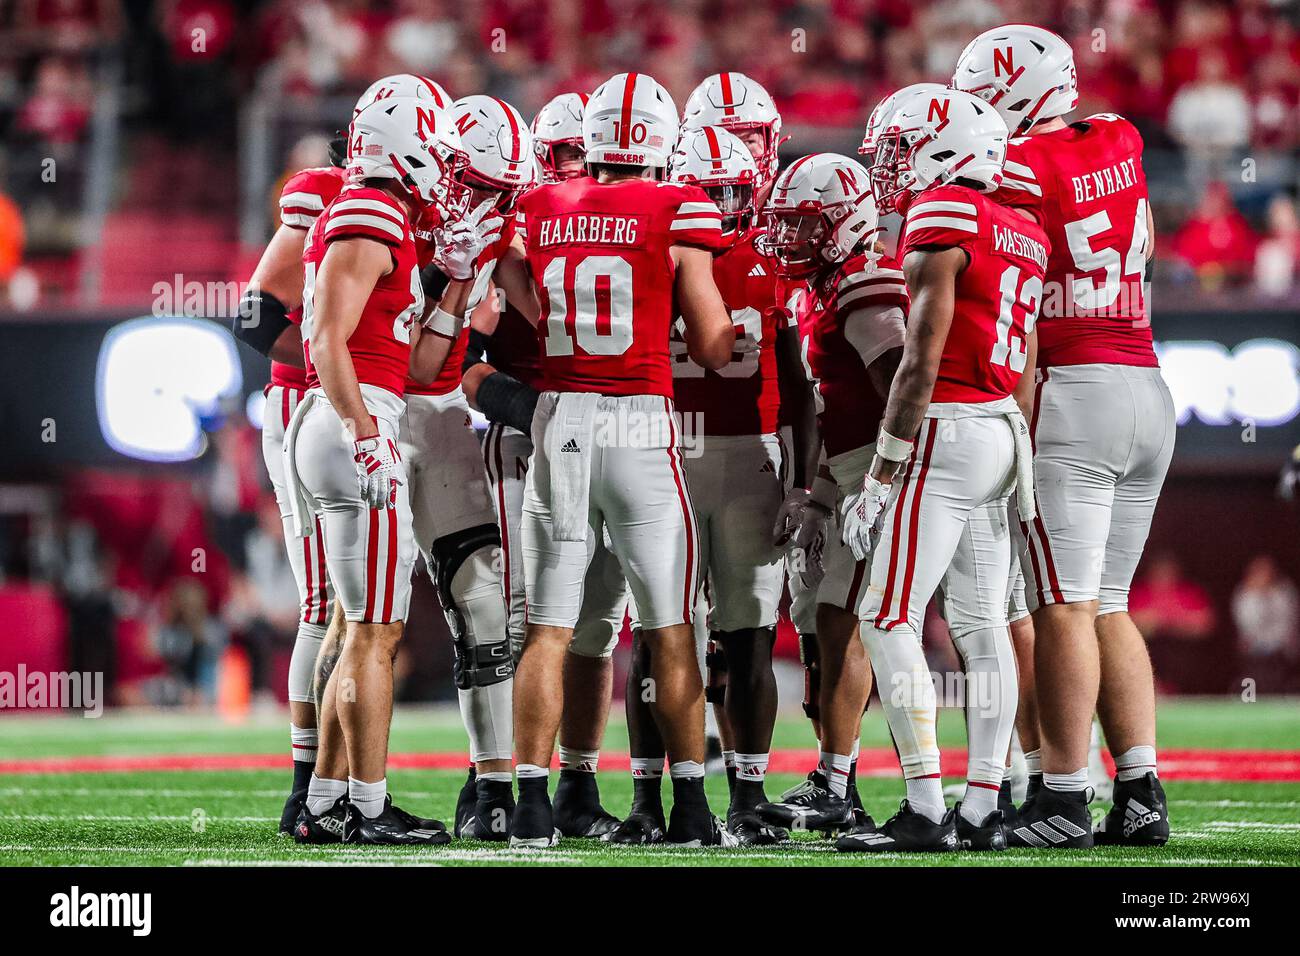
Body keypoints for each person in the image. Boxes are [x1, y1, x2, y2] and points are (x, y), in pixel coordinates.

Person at [954, 24, 1174, 848]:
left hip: (1072, 389)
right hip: (1148, 384)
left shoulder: (1015, 173)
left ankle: (1063, 798)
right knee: (1108, 604)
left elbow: (1020, 318)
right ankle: (1141, 789)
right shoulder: (1121, 136)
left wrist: (1013, 419)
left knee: (1061, 607)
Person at [509, 71, 736, 848]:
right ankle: (694, 812)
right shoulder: (678, 207)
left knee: (550, 627)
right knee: (669, 628)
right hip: (639, 421)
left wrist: (549, 311)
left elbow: (512, 281)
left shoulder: (539, 204)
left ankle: (533, 807)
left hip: (562, 418)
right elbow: (710, 342)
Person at [285, 94, 496, 845]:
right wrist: (362, 430)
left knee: (356, 626)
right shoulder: (370, 211)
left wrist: (461, 286)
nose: (444, 166)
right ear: (403, 145)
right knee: (375, 632)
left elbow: (419, 368)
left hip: (363, 415)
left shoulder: (389, 218)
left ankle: (328, 800)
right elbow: (322, 336)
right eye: (435, 148)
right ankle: (365, 808)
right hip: (353, 425)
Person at [836, 86, 1042, 853]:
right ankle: (985, 805)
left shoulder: (945, 214)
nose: (890, 166)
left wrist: (882, 474)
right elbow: (1022, 363)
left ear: (944, 146)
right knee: (983, 628)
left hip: (947, 431)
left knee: (886, 617)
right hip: (998, 428)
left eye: (900, 147)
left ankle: (925, 806)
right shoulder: (1020, 224)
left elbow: (918, 364)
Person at [460, 92, 626, 840]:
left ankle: (579, 785)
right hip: (530, 443)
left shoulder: (632, 224)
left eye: (585, 156)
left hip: (617, 443)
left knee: (597, 624)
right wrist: (544, 410)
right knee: (519, 616)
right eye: (561, 156)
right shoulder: (510, 232)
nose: (574, 171)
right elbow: (461, 371)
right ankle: (493, 781)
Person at [749, 152, 904, 839]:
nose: (790, 241)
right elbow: (831, 403)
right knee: (839, 621)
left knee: (884, 624)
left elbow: (904, 383)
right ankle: (835, 780)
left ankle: (992, 786)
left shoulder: (866, 280)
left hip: (885, 466)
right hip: (851, 468)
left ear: (844, 224)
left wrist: (883, 478)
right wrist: (817, 491)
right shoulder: (829, 284)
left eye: (805, 227)